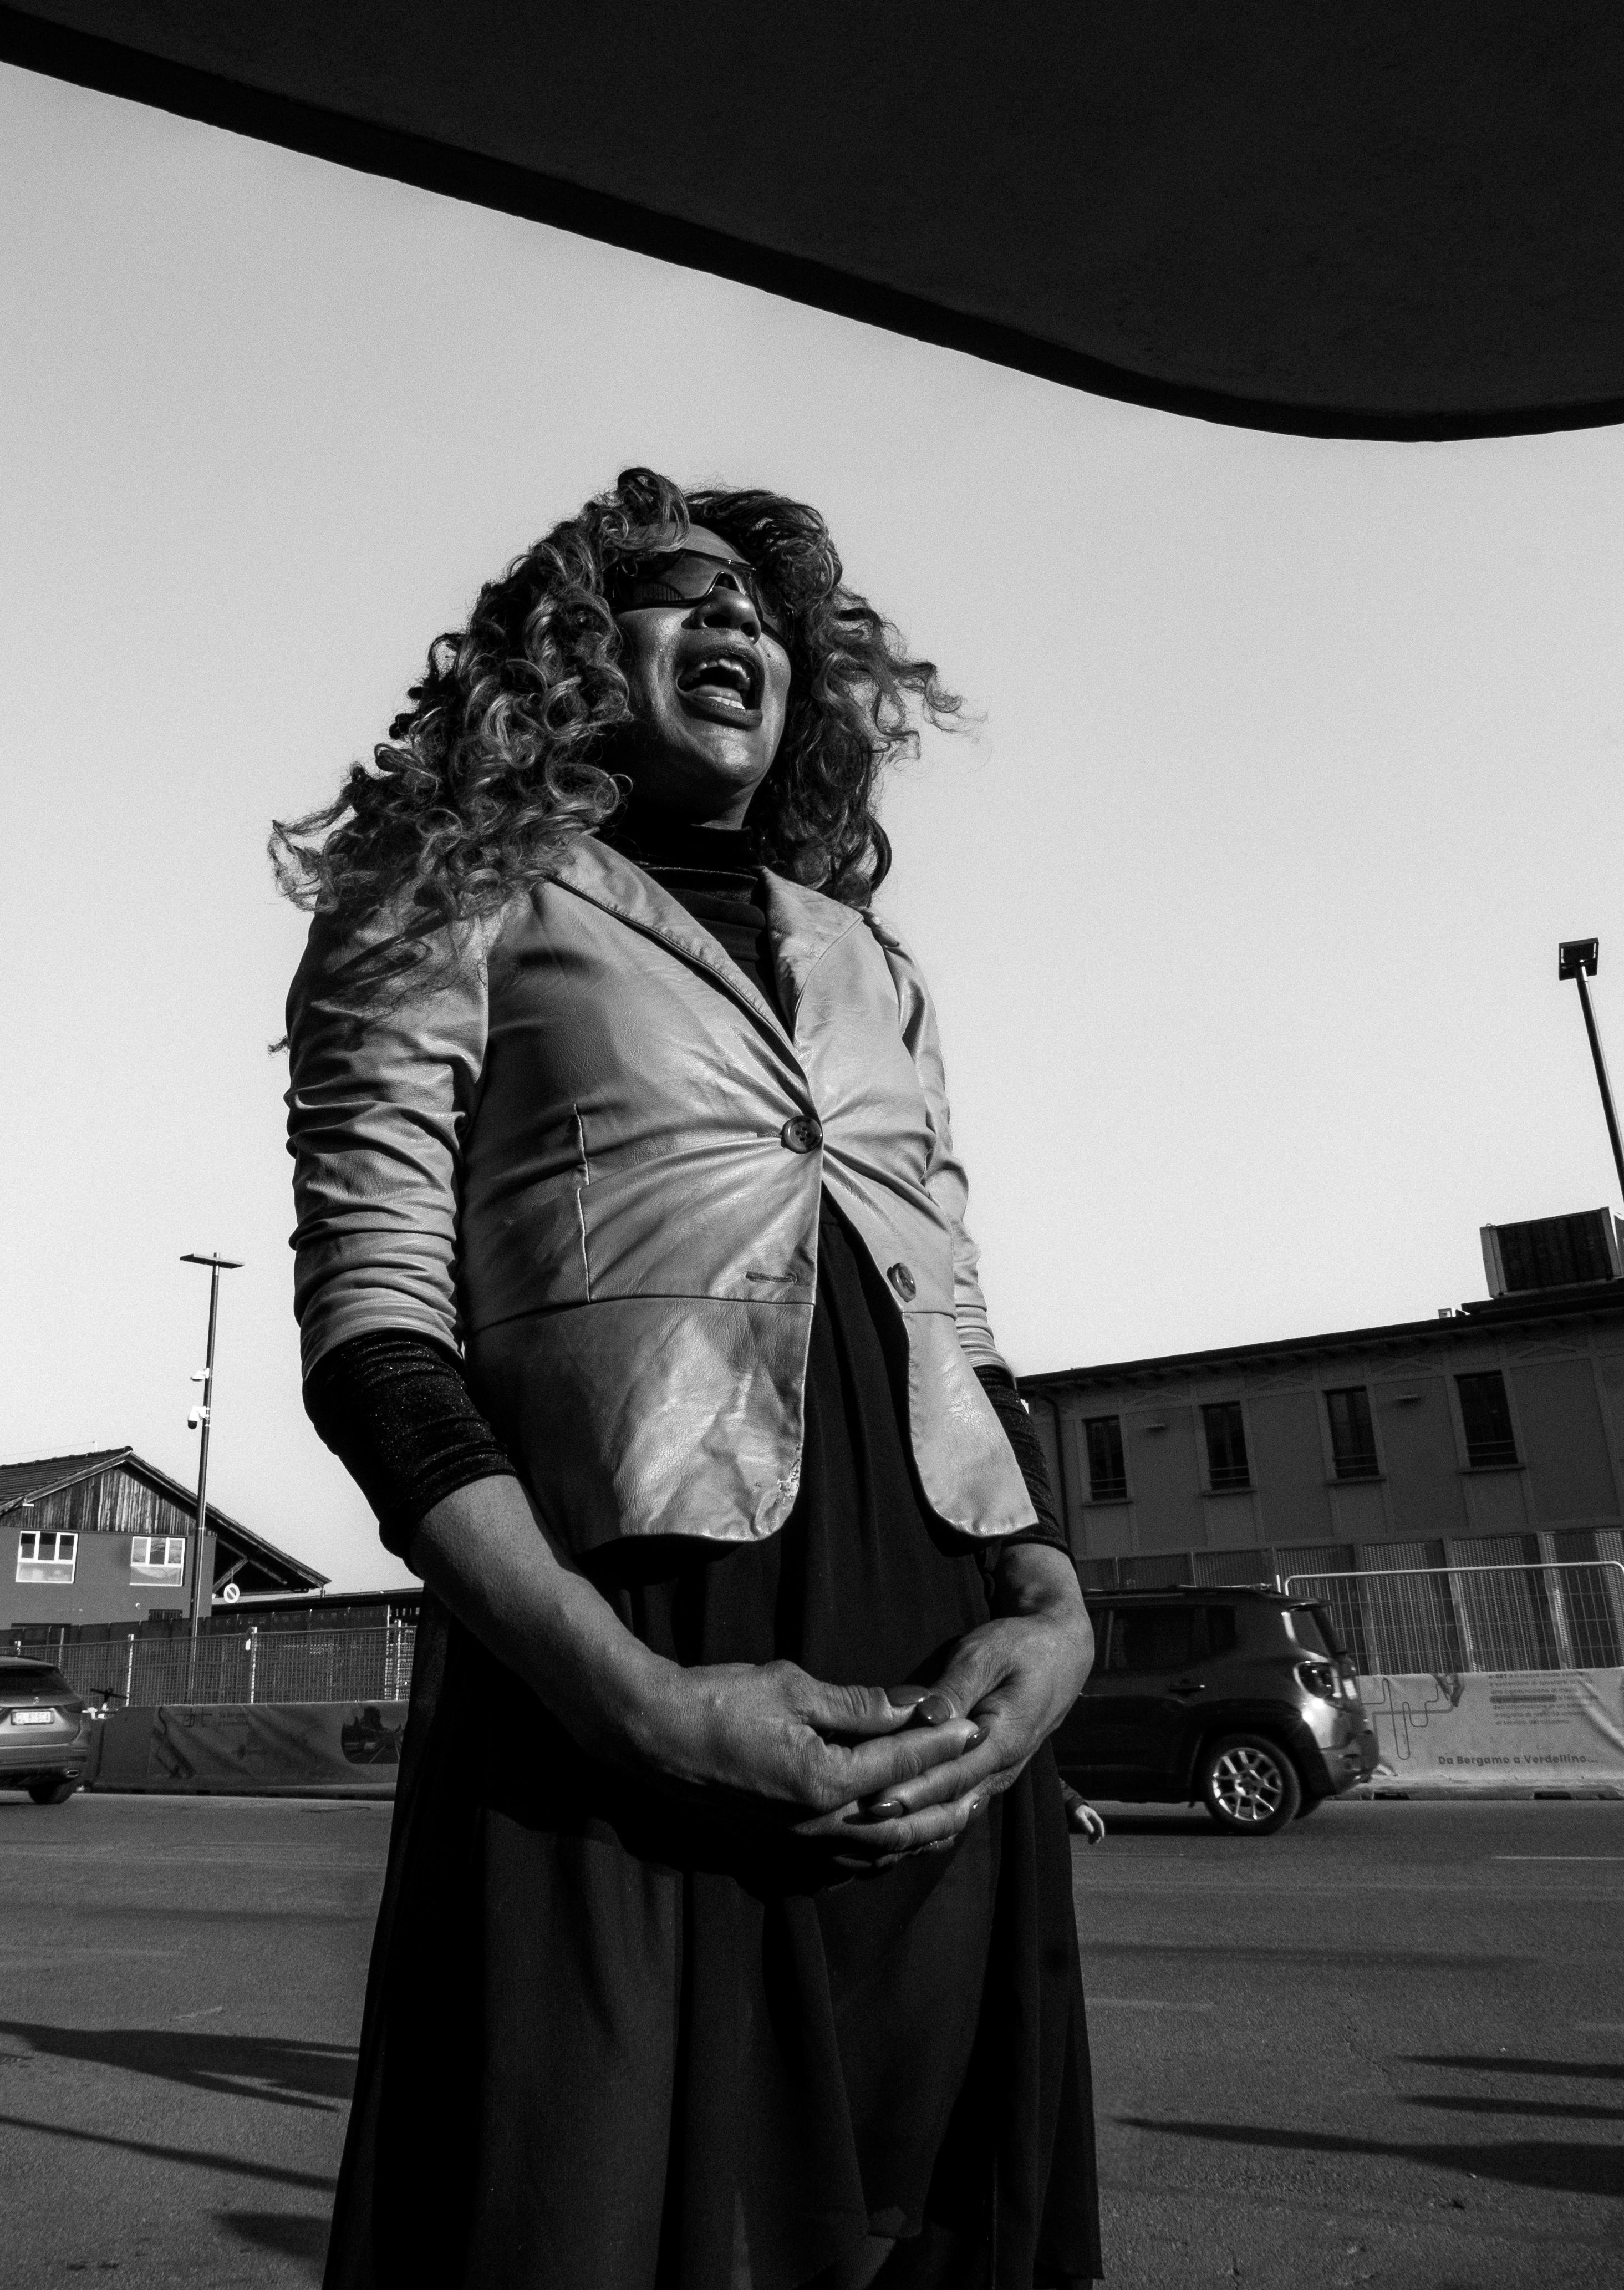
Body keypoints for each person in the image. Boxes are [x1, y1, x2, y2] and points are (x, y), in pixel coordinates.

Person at [279, 468, 1102, 2290]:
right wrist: (639, 1704)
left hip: (940, 1682)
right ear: (575, 652)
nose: (734, 619)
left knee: (926, 2235)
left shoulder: (875, 964)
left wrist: (1055, 1608)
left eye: (765, 610)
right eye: (675, 587)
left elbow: (959, 1322)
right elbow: (374, 1335)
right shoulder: (447, 890)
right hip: (627, 1676)